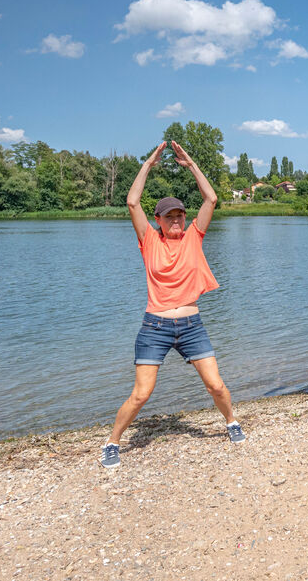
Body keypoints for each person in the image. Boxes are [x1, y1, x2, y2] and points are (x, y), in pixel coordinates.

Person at [100, 141, 244, 469]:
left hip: (192, 326)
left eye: (180, 214)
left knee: (216, 384)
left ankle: (231, 421)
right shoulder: (149, 241)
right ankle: (112, 442)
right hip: (155, 326)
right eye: (169, 216)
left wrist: (191, 164)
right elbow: (131, 200)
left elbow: (211, 198)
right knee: (141, 394)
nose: (176, 220)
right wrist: (148, 164)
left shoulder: (195, 236)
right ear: (158, 220)